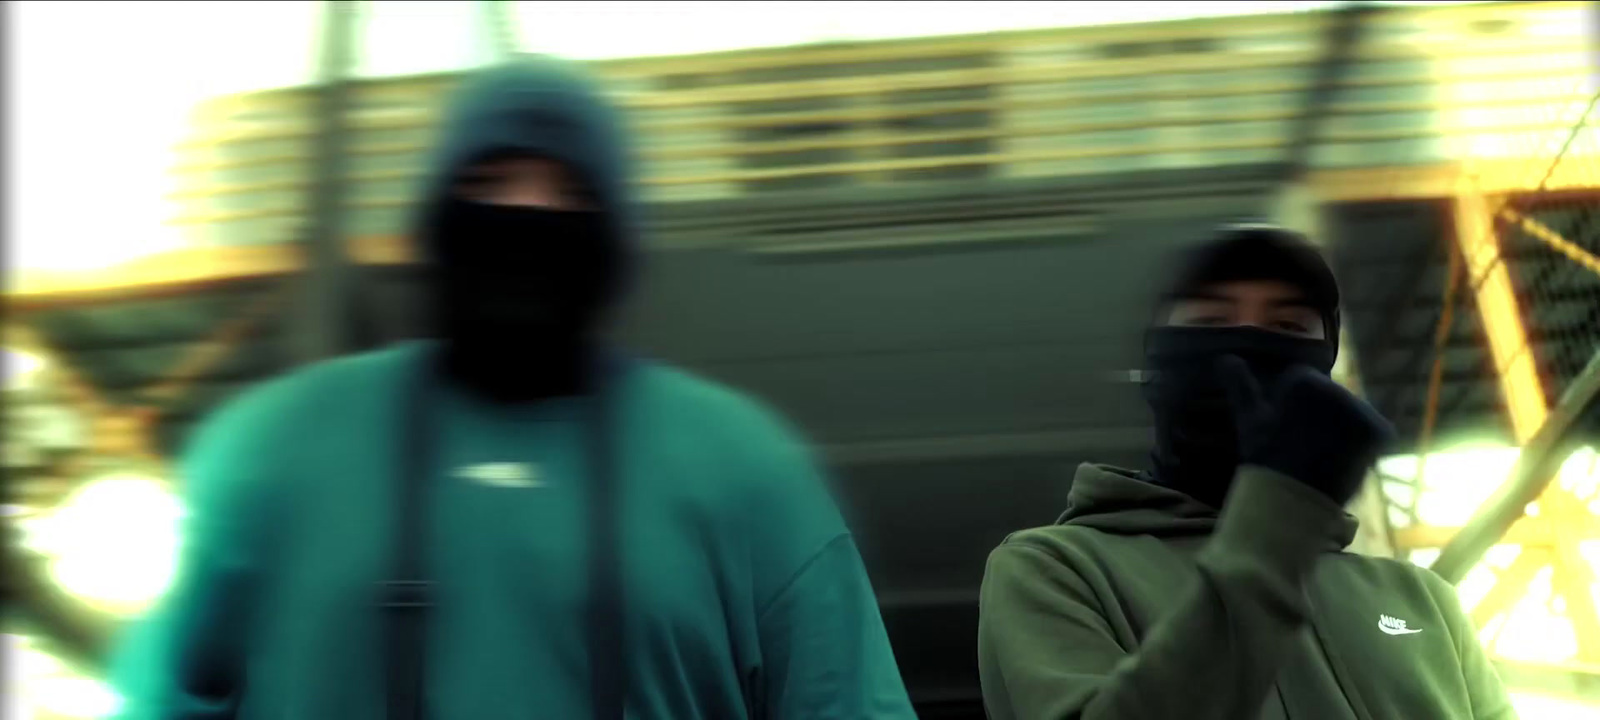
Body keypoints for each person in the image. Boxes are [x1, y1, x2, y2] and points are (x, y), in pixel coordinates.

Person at [111, 56, 915, 720]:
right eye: (491, 184)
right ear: (436, 220)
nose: (527, 218)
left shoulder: (745, 471)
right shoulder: (276, 451)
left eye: (569, 195)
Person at [976, 225, 1516, 720]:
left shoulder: (1424, 601)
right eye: (1210, 322)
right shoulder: (1054, 568)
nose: (1249, 347)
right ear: (1155, 363)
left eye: (1286, 325)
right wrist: (1285, 508)